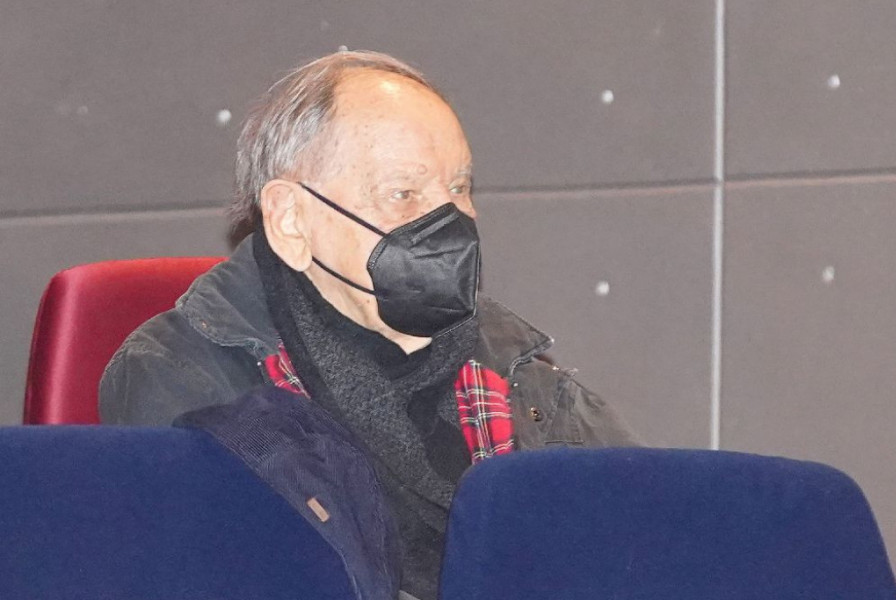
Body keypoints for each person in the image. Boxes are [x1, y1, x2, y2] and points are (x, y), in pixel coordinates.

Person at [100, 50, 640, 599]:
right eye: (403, 194)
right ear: (291, 220)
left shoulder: (520, 378)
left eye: (459, 189)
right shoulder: (187, 379)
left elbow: (644, 550)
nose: (450, 221)